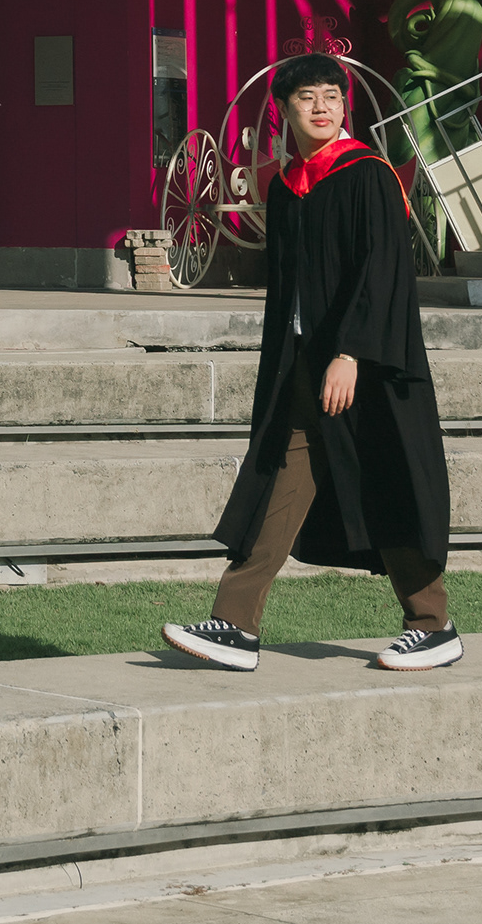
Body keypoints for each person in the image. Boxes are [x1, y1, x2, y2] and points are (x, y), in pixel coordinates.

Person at [161, 51, 460, 673]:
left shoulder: (367, 174)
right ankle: (234, 624)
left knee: (385, 479)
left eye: (331, 95)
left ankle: (433, 625)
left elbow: (381, 271)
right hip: (303, 362)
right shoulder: (288, 187)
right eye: (307, 97)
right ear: (284, 109)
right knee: (280, 479)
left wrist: (350, 353)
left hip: (367, 366)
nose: (322, 107)